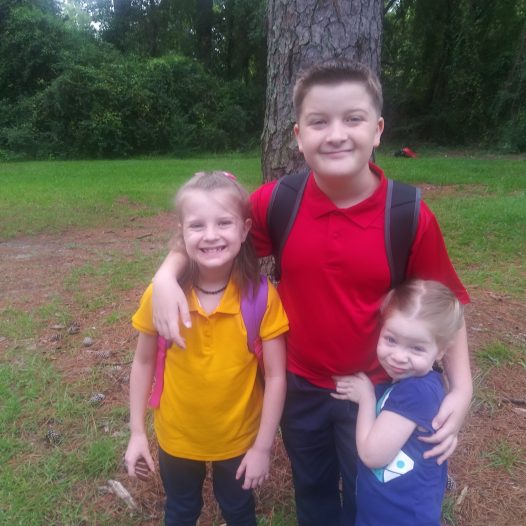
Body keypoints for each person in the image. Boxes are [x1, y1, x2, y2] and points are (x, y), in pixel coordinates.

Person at [150, 61, 472, 526]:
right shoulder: (279, 201)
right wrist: (165, 276)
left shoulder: (406, 214)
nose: (336, 134)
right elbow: (213, 237)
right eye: (319, 122)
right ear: (299, 136)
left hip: (376, 386)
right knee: (314, 491)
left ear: (378, 130)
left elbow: (446, 305)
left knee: (367, 492)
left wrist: (462, 389)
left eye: (353, 119)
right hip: (299, 385)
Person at [124, 171, 288, 526]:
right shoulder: (160, 295)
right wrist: (137, 432)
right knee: (181, 509)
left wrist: (262, 447)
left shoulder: (262, 297)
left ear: (244, 230)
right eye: (197, 225)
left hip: (239, 438)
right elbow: (143, 362)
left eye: (223, 223)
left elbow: (276, 376)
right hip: (177, 436)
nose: (211, 235)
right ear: (181, 233)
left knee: (239, 510)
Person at [332, 279, 465, 525]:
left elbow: (372, 455)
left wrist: (366, 398)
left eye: (417, 348)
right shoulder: (415, 383)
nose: (399, 357)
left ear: (440, 351)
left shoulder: (415, 392)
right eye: (391, 340)